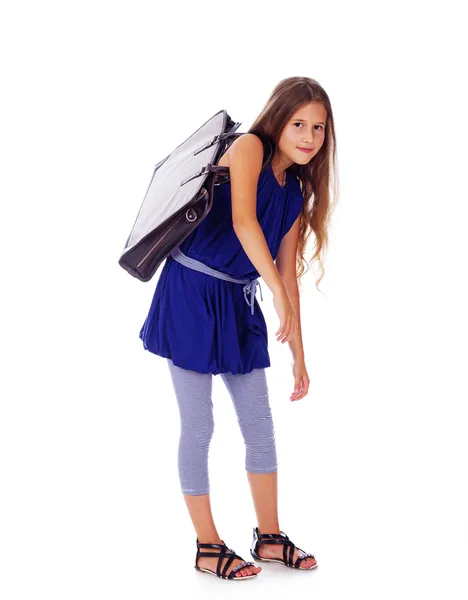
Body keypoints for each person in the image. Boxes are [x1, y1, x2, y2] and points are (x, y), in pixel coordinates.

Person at [139, 76, 337, 580]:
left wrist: (300, 354)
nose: (309, 136)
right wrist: (271, 288)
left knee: (259, 425)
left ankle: (269, 538)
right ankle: (208, 546)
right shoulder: (248, 146)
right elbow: (245, 223)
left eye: (318, 127)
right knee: (200, 424)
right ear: (278, 119)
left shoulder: (294, 190)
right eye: (299, 123)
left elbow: (288, 274)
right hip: (191, 292)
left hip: (237, 301)